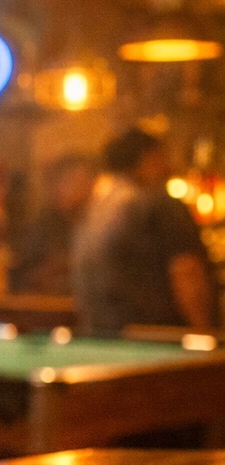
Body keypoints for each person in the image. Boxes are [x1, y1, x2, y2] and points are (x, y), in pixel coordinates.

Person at [72, 129, 217, 335]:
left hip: (104, 346)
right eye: (163, 156)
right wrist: (205, 338)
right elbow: (187, 273)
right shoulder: (159, 203)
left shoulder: (94, 211)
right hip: (162, 348)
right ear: (149, 158)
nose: (168, 166)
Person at [13, 153, 98, 295]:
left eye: (86, 182)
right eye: (74, 182)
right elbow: (24, 278)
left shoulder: (95, 223)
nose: (85, 189)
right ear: (55, 187)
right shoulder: (40, 227)